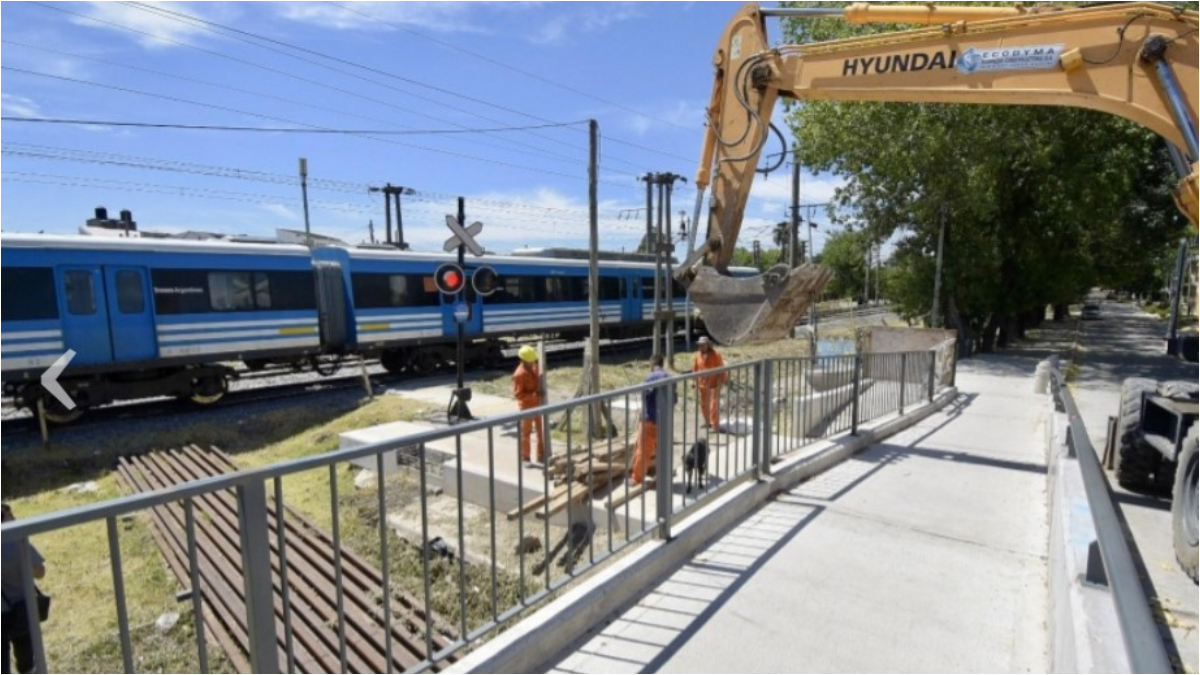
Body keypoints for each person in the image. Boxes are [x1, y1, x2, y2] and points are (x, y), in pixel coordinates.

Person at [2, 503, 46, 675]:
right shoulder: (17, 540)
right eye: (10, 514)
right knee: (26, 657)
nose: (14, 517)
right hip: (22, 608)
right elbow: (40, 572)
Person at [630, 355, 674, 486]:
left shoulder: (649, 378)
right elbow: (674, 400)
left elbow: (645, 397)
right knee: (663, 450)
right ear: (663, 364)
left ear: (652, 365)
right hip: (664, 421)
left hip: (649, 420)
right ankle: (663, 476)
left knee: (643, 451)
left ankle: (636, 478)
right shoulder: (669, 378)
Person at [512, 345, 545, 466]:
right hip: (526, 407)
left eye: (533, 361)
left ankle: (541, 455)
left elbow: (539, 375)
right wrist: (535, 395)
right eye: (530, 362)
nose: (533, 364)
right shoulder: (519, 375)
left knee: (540, 431)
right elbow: (518, 395)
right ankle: (525, 457)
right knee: (526, 433)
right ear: (523, 361)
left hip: (537, 405)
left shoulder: (534, 367)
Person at [693, 336, 728, 432]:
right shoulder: (697, 356)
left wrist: (721, 381)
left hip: (714, 383)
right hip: (702, 384)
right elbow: (695, 369)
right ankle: (707, 421)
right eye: (700, 345)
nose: (701, 346)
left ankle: (715, 424)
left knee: (713, 404)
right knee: (704, 404)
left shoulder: (716, 355)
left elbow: (721, 369)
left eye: (703, 345)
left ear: (708, 345)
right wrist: (694, 381)